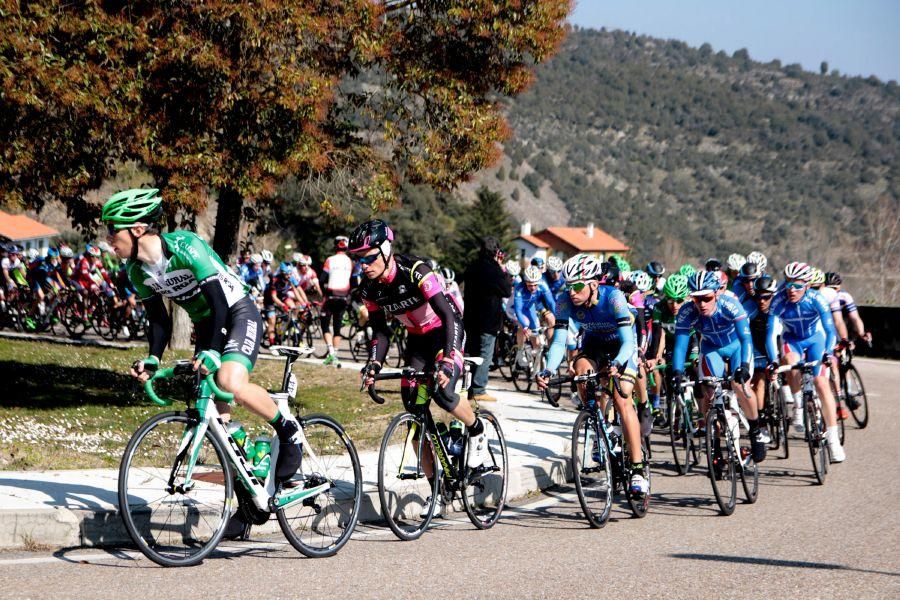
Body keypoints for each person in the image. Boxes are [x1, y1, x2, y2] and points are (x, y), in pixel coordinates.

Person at [101, 188, 302, 485]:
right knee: (208, 401)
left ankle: (288, 430)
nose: (108, 239)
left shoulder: (186, 245)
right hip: (207, 323)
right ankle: (247, 471)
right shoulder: (136, 270)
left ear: (138, 229)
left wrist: (215, 352)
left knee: (228, 382)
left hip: (236, 312)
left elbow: (219, 303)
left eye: (112, 230)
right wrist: (153, 358)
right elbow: (158, 319)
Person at [354, 220, 487, 516]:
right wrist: (374, 363)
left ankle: (477, 429)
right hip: (416, 340)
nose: (363, 264)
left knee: (442, 392)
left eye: (369, 257)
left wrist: (449, 358)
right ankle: (438, 490)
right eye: (358, 259)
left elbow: (448, 315)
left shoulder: (415, 271)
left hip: (445, 330)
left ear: (386, 250)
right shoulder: (369, 289)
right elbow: (381, 333)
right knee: (415, 419)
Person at [536, 254, 649, 496]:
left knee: (623, 398)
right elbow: (558, 342)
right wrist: (547, 369)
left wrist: (618, 363)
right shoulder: (565, 301)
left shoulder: (614, 298)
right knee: (581, 373)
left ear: (594, 284)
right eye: (568, 286)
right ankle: (598, 425)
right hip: (594, 345)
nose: (572, 292)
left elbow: (629, 341)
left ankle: (638, 468)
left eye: (577, 286)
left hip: (621, 346)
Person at [671, 271, 766, 463]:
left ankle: (756, 430)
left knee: (741, 386)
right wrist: (677, 372)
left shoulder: (730, 305)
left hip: (737, 347)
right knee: (710, 391)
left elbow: (746, 338)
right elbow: (680, 346)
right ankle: (714, 442)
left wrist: (745, 367)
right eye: (697, 299)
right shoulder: (687, 311)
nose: (702, 304)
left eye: (706, 298)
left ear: (716, 294)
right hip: (711, 349)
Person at [766, 261, 844, 462]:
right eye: (789, 284)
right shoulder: (779, 301)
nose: (792, 290)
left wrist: (828, 353)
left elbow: (829, 331)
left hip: (815, 340)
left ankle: (833, 439)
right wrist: (773, 360)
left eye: (798, 285)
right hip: (792, 341)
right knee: (790, 361)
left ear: (807, 285)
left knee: (821, 383)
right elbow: (770, 334)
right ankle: (799, 403)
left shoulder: (817, 299)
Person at [462, 236, 512, 403]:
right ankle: (478, 389)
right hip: (488, 320)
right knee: (484, 355)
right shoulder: (494, 269)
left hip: (470, 318)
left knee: (471, 354)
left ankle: (466, 387)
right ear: (496, 252)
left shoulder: (472, 267)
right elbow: (506, 291)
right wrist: (502, 269)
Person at [320, 236, 354, 367]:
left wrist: (323, 292)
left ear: (335, 246)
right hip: (344, 298)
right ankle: (335, 355)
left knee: (325, 325)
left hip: (330, 297)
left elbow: (322, 279)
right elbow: (354, 281)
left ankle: (331, 353)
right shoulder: (350, 262)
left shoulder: (330, 260)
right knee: (337, 327)